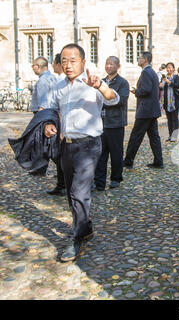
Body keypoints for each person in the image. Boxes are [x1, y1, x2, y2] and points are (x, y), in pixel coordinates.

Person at [44, 43, 120, 262]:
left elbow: (113, 98)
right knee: (71, 193)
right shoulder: (59, 86)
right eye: (64, 60)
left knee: (79, 192)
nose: (68, 65)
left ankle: (76, 238)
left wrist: (100, 87)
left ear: (83, 62)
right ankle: (85, 228)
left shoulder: (92, 82)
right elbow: (52, 110)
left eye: (73, 60)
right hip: (66, 145)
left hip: (89, 145)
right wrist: (50, 124)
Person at [93, 56, 130, 191]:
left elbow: (121, 101)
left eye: (111, 64)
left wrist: (106, 99)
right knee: (100, 154)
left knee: (116, 153)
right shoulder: (101, 82)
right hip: (101, 123)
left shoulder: (123, 83)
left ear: (118, 66)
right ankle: (99, 182)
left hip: (115, 123)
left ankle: (115, 178)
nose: (108, 66)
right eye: (107, 63)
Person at [124, 51, 164, 169]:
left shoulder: (146, 72)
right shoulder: (151, 72)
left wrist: (136, 91)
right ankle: (158, 161)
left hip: (145, 110)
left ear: (145, 60)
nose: (138, 59)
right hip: (152, 110)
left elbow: (146, 90)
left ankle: (128, 161)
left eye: (140, 57)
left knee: (136, 136)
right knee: (154, 136)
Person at [29, 57, 57, 176]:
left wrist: (39, 118)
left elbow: (43, 100)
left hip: (43, 113)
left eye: (33, 66)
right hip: (51, 112)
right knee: (46, 142)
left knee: (41, 142)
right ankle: (41, 167)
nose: (32, 68)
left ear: (38, 66)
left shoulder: (43, 80)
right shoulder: (53, 78)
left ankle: (40, 168)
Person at [47, 53, 66, 196]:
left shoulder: (61, 82)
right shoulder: (58, 81)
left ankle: (62, 184)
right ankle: (62, 183)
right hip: (57, 122)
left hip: (60, 123)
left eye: (54, 62)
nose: (52, 65)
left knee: (58, 155)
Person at [159, 62, 179, 142]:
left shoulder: (176, 77)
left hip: (174, 102)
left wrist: (169, 82)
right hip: (166, 102)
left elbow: (177, 85)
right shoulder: (163, 78)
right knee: (169, 120)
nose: (168, 69)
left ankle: (175, 136)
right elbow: (162, 89)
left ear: (173, 69)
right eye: (167, 67)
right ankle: (170, 135)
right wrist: (160, 86)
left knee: (175, 119)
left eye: (170, 67)